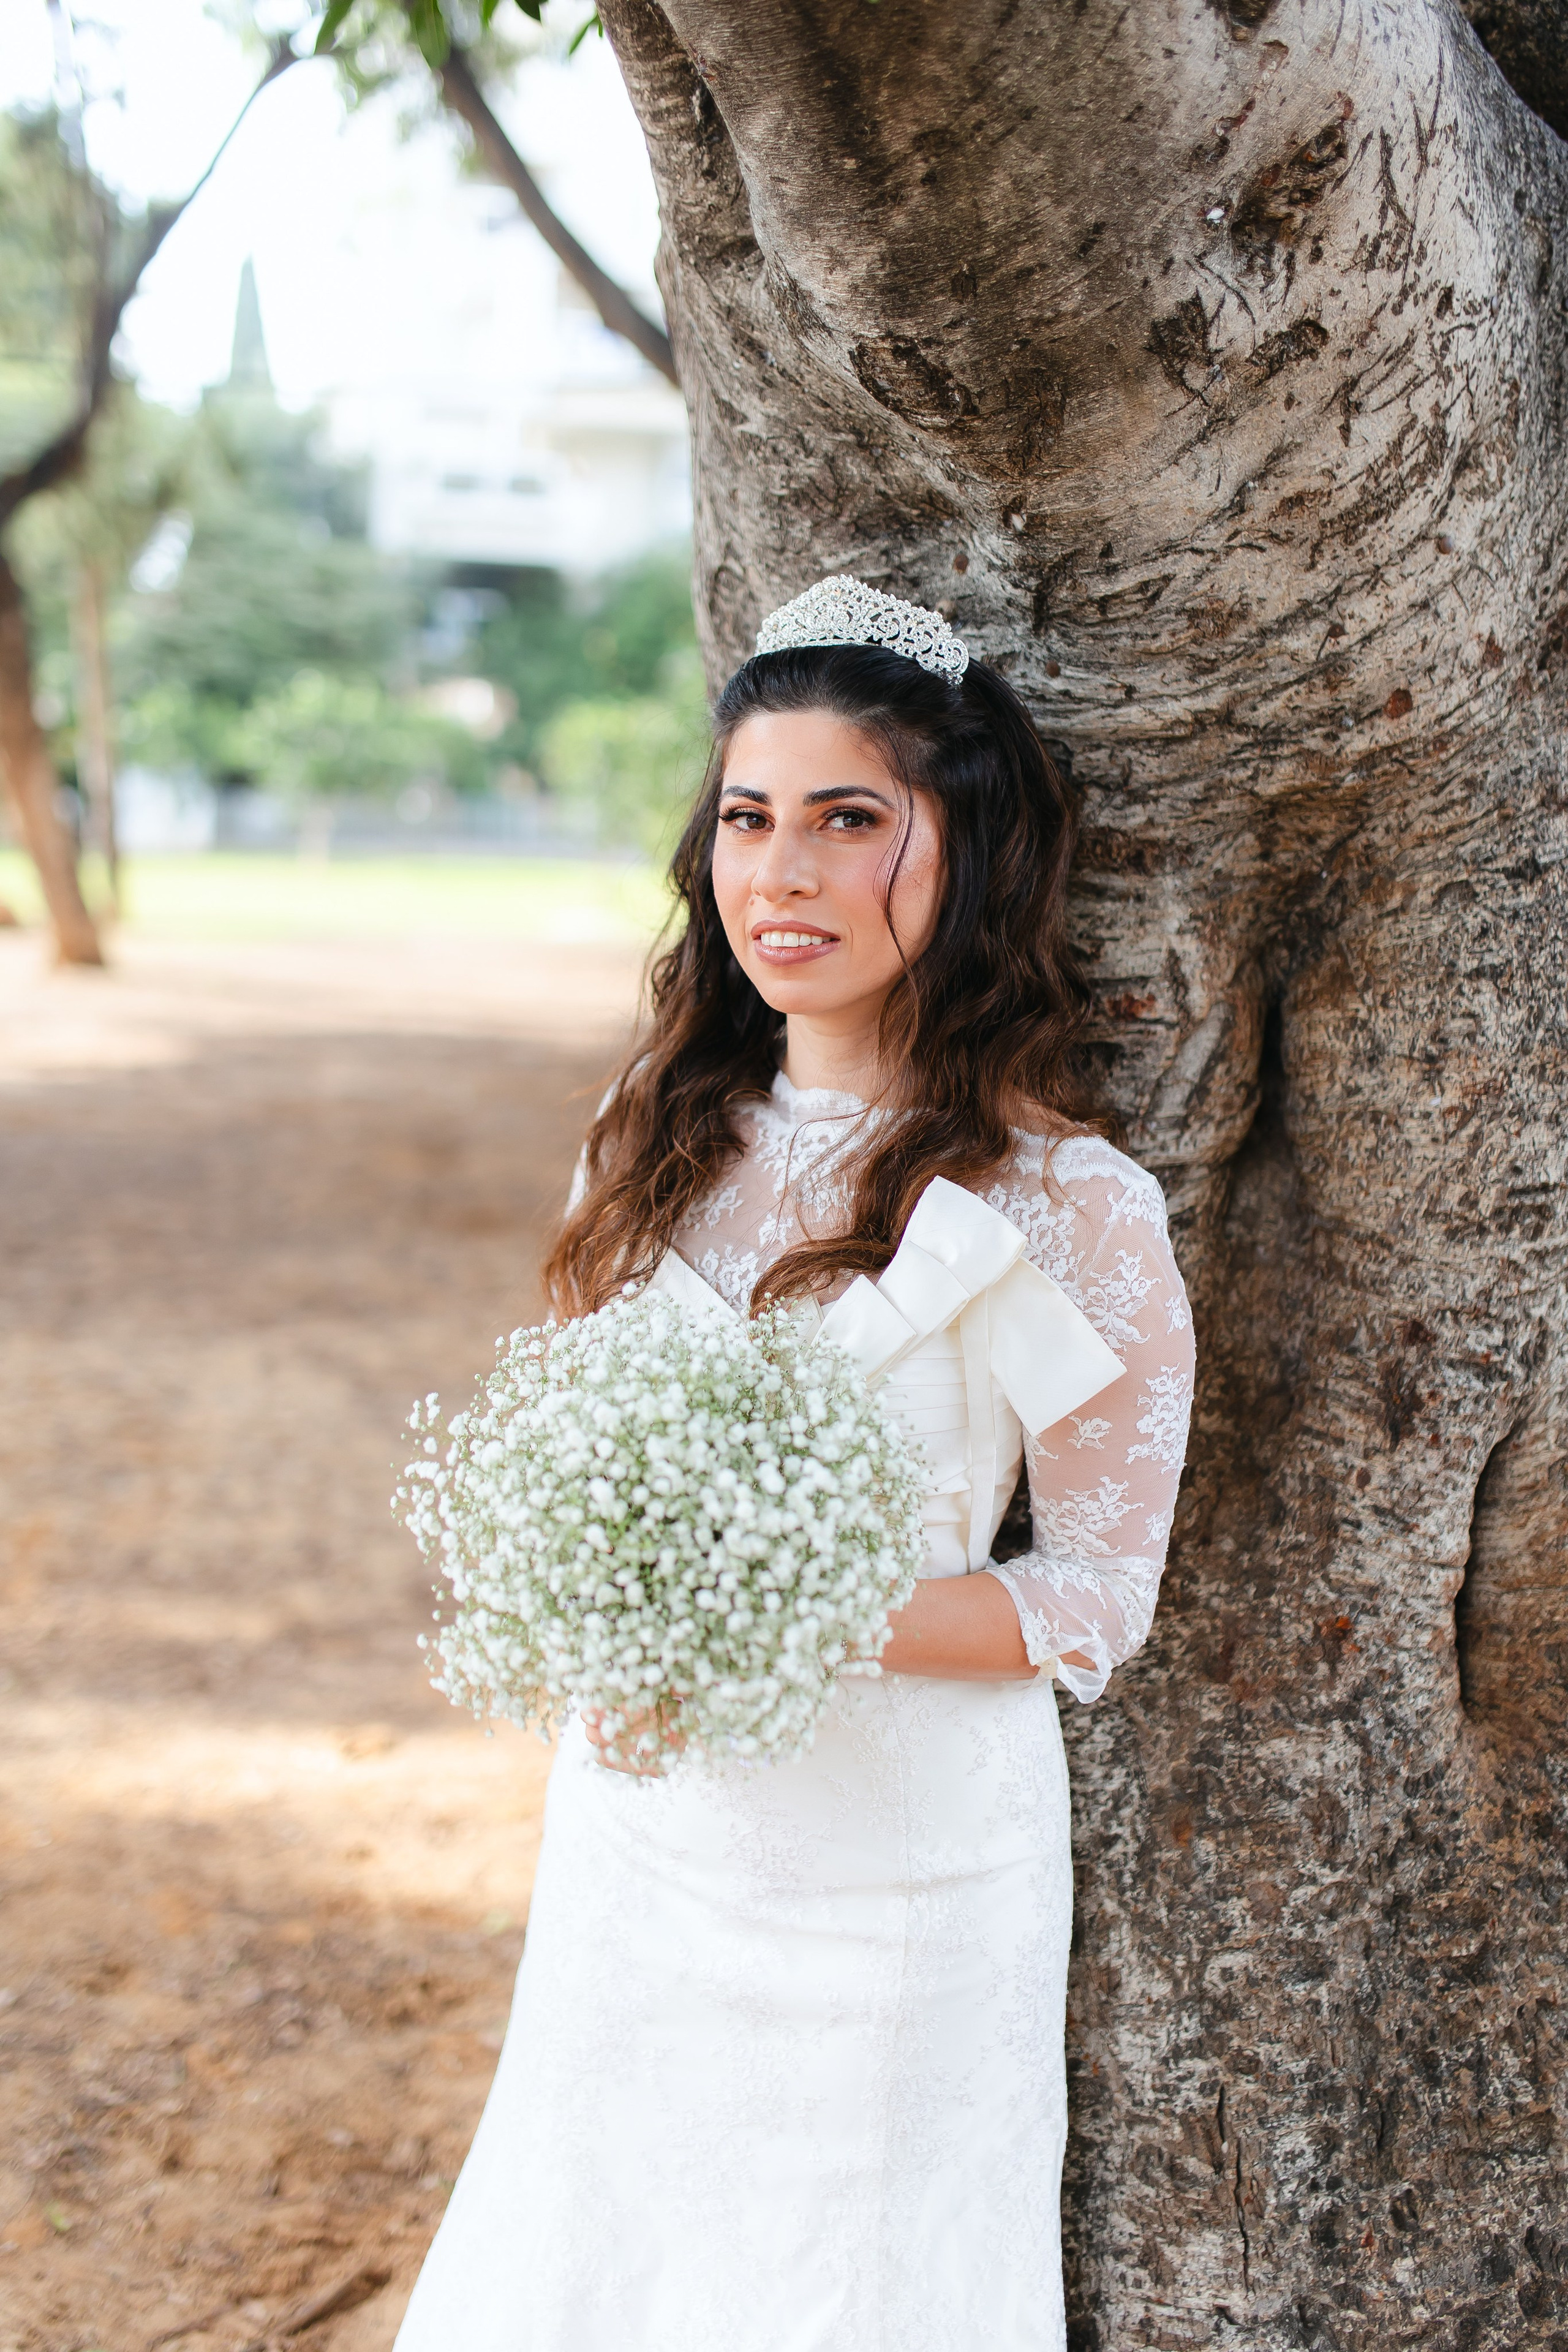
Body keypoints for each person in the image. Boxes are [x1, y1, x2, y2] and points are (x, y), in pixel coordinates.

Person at [394, 576, 1194, 2352]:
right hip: (642, 1836)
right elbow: (585, 1459)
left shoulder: (1068, 1211)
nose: (787, 873)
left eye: (851, 820)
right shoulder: (653, 1136)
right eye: (751, 819)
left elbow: (1094, 1598)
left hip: (902, 1889)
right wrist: (610, 1623)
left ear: (963, 851)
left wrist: (790, 1618)